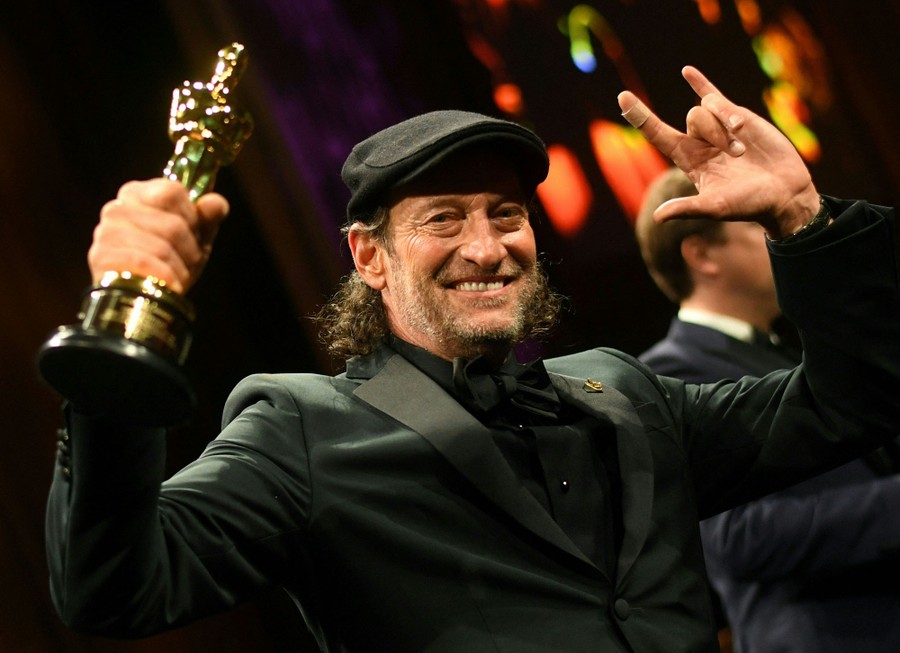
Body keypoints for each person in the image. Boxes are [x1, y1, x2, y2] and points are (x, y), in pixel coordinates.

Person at [45, 67, 900, 653]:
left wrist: (802, 216)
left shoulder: (630, 392)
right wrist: (122, 337)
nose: (487, 248)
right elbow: (116, 588)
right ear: (369, 257)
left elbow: (851, 401)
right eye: (444, 219)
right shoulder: (301, 430)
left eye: (505, 213)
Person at [635, 166, 900, 652]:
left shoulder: (788, 347)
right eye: (760, 225)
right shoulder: (669, 375)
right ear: (700, 254)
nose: (777, 236)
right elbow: (738, 538)